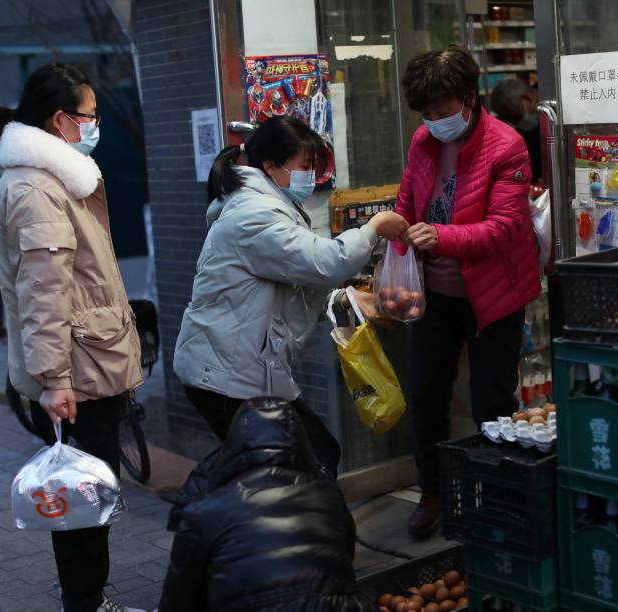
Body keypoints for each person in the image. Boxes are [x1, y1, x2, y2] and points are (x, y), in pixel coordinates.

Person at [0, 63, 144, 612]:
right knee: (80, 502)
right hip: (76, 375)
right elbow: (42, 293)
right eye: (90, 116)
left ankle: (87, 596)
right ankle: (85, 601)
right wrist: (53, 381)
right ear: (60, 120)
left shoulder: (57, 180)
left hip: (86, 364)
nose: (96, 124)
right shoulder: (36, 189)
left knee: (87, 496)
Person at [173, 115, 408, 473]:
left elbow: (292, 280)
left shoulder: (268, 207)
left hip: (246, 371)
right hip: (225, 377)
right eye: (304, 166)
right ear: (270, 166)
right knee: (297, 469)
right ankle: (236, 525)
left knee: (307, 461)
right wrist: (375, 226)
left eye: (314, 166)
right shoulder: (255, 215)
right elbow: (327, 261)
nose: (310, 177)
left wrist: (341, 298)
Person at [397, 46, 541, 537]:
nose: (435, 121)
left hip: (494, 296)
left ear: (467, 99)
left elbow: (504, 228)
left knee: (492, 405)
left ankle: (499, 495)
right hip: (434, 296)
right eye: (427, 113)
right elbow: (407, 201)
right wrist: (397, 232)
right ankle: (432, 490)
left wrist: (440, 236)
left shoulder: (507, 146)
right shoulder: (422, 142)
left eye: (442, 111)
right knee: (425, 394)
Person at [158, 397, 372, 611]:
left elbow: (179, 597)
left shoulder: (205, 511)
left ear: (233, 445)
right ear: (299, 443)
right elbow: (344, 559)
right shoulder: (328, 496)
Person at [491, 78, 542, 183]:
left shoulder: (552, 92)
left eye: (517, 118)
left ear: (528, 98)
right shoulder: (520, 136)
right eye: (514, 121)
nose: (518, 124)